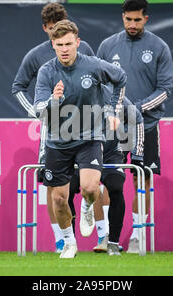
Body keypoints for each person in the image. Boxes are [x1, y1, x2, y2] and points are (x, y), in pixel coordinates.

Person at [34, 20, 126, 258]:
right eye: (59, 45)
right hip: (57, 142)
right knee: (59, 198)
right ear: (53, 45)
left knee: (90, 187)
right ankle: (69, 243)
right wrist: (53, 100)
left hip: (89, 137)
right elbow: (38, 110)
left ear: (77, 42)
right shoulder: (46, 71)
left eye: (68, 44)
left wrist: (111, 111)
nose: (64, 49)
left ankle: (87, 207)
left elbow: (121, 78)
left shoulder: (93, 65)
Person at [11, 3, 94, 252]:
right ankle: (62, 239)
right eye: (50, 29)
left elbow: (100, 80)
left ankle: (101, 237)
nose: (55, 33)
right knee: (53, 184)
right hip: (53, 130)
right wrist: (39, 114)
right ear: (44, 28)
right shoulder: (37, 55)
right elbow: (18, 87)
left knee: (91, 183)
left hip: (85, 126)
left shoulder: (84, 48)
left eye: (59, 27)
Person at [97, 0, 173, 253]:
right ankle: (106, 238)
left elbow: (165, 90)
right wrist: (115, 112)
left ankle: (138, 236)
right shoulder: (107, 47)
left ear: (146, 18)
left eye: (137, 19)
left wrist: (135, 109)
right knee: (109, 181)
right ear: (122, 17)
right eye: (128, 19)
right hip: (114, 128)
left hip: (147, 126)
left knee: (142, 180)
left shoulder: (159, 47)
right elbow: (98, 84)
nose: (132, 24)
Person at [70, 86, 144, 255]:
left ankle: (112, 243)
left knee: (116, 187)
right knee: (68, 189)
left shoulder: (111, 95)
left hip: (110, 153)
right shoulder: (72, 92)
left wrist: (137, 154)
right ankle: (70, 242)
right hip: (82, 151)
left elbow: (137, 118)